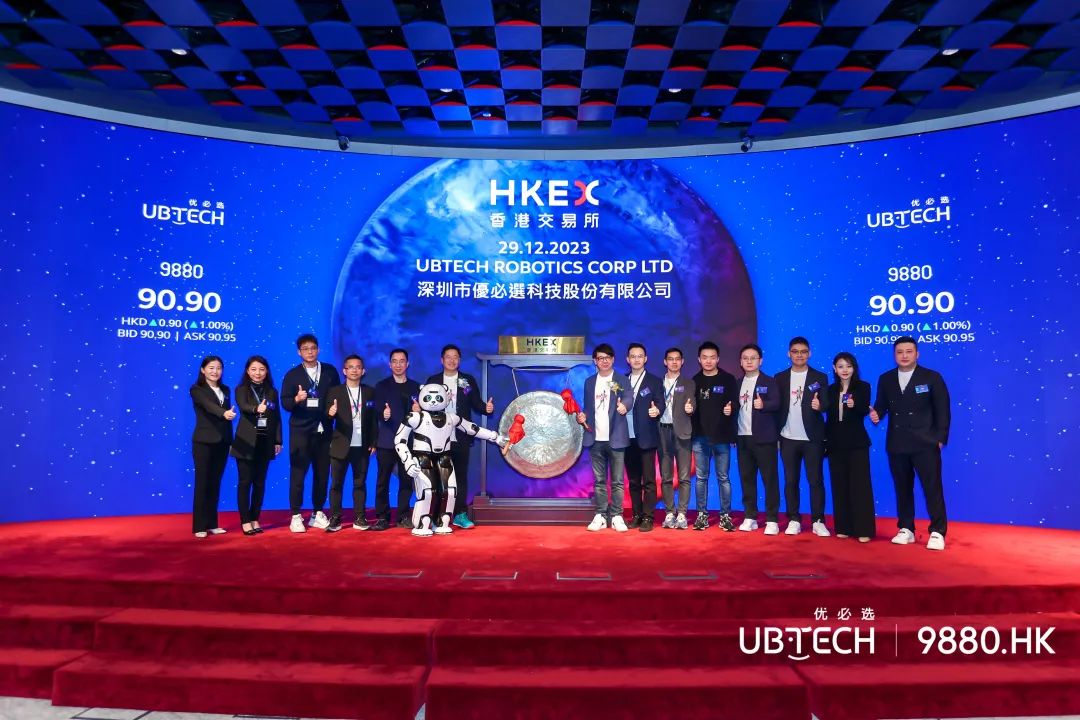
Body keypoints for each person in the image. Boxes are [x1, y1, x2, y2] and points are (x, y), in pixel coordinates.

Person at [870, 337, 951, 551]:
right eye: (900, 352)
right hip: (897, 443)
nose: (904, 355)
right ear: (894, 355)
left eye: (909, 351)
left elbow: (943, 410)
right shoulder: (886, 378)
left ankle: (937, 531)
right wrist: (877, 414)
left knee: (932, 488)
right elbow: (881, 405)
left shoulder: (932, 377)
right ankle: (906, 528)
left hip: (925, 443)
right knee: (902, 488)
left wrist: (940, 438)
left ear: (917, 354)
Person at [394, 383, 507, 537]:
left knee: (450, 491)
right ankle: (422, 522)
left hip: (444, 458)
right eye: (429, 397)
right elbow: (399, 440)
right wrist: (408, 460)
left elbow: (472, 429)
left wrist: (495, 437)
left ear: (446, 398)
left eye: (438, 397)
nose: (433, 401)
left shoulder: (451, 418)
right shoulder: (414, 417)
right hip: (422, 458)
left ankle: (443, 521)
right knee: (428, 492)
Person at [425, 344, 494, 530]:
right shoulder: (433, 381)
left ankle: (460, 514)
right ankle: (436, 516)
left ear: (459, 360)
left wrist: (486, 408)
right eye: (448, 357)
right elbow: (425, 405)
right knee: (438, 478)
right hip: (437, 437)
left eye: (455, 357)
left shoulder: (466, 381)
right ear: (442, 360)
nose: (452, 360)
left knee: (460, 477)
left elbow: (476, 403)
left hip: (461, 436)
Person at [281, 334, 341, 533]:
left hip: (324, 430)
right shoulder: (292, 375)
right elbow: (285, 403)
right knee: (298, 474)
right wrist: (297, 399)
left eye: (313, 348)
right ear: (299, 352)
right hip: (300, 431)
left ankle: (317, 512)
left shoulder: (330, 371)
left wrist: (333, 410)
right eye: (305, 349)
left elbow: (337, 396)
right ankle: (296, 515)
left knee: (322, 474)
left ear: (318, 350)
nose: (310, 352)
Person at [775, 337, 831, 537]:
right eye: (795, 351)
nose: (799, 355)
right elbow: (776, 408)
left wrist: (820, 406)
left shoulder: (820, 377)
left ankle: (818, 520)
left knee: (816, 480)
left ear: (810, 354)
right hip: (787, 437)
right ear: (789, 354)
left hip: (813, 438)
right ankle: (794, 519)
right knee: (791, 481)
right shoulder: (780, 378)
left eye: (803, 351)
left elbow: (827, 404)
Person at [577, 343, 635, 532]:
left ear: (613, 359)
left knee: (617, 481)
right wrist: (582, 417)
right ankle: (601, 515)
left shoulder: (621, 380)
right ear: (595, 361)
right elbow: (588, 408)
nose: (604, 361)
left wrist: (624, 406)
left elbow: (629, 397)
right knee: (599, 481)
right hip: (595, 438)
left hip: (616, 437)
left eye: (607, 358)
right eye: (600, 358)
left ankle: (617, 515)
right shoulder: (589, 382)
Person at [825, 352, 875, 543]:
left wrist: (855, 405)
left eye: (848, 366)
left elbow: (864, 410)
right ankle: (843, 526)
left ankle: (864, 529)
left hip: (856, 443)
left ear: (854, 368)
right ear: (834, 369)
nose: (845, 370)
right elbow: (828, 418)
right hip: (835, 444)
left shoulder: (863, 387)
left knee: (860, 486)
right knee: (839, 485)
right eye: (840, 366)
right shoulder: (830, 390)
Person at [689, 341, 739, 531]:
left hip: (722, 437)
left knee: (723, 478)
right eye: (704, 357)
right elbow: (691, 408)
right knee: (701, 478)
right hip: (700, 438)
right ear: (699, 359)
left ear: (718, 359)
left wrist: (731, 409)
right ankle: (702, 515)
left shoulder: (728, 379)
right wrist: (688, 409)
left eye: (712, 357)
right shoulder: (694, 381)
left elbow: (736, 403)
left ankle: (725, 515)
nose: (708, 361)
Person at [731, 344, 781, 533]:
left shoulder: (770, 381)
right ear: (740, 362)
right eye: (745, 358)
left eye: (753, 358)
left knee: (770, 479)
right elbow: (734, 409)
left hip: (764, 439)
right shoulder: (737, 383)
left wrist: (764, 404)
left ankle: (772, 519)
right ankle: (750, 516)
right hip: (743, 438)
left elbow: (777, 403)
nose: (749, 361)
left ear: (761, 360)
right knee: (747, 479)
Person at [325, 355, 377, 533]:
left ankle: (360, 517)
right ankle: (335, 517)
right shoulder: (335, 392)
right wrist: (330, 413)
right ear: (344, 371)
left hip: (362, 446)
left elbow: (373, 420)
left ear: (363, 371)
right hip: (340, 445)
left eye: (358, 367)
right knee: (336, 484)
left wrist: (373, 442)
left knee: (360, 483)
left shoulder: (370, 392)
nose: (354, 370)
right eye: (351, 367)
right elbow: (325, 418)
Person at [231, 356, 282, 536]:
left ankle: (255, 518)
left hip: (265, 442)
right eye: (253, 369)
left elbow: (277, 417)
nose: (257, 373)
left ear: (266, 371)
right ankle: (245, 520)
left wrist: (278, 440)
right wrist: (256, 409)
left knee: (259, 483)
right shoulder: (241, 389)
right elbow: (244, 406)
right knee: (245, 482)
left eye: (261, 369)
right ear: (247, 371)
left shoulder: (272, 391)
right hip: (245, 442)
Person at [372, 348, 421, 530]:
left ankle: (403, 516)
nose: (398, 365)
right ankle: (382, 517)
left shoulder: (416, 387)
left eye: (402, 361)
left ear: (408, 364)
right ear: (389, 364)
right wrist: (383, 414)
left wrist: (419, 411)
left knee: (406, 480)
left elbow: (424, 416)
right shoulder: (381, 386)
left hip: (408, 442)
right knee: (382, 480)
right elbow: (376, 410)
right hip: (386, 441)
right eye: (395, 361)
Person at [189, 355, 235, 538]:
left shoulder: (225, 389)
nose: (215, 371)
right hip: (204, 442)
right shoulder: (196, 389)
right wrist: (223, 413)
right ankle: (199, 526)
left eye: (218, 368)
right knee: (203, 483)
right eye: (211, 368)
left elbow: (228, 419)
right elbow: (208, 406)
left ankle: (212, 524)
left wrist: (230, 441)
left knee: (215, 483)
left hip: (222, 442)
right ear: (203, 370)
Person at [623, 343, 665, 532]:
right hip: (626, 437)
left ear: (645, 359)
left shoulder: (654, 381)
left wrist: (658, 410)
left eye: (640, 356)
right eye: (633, 356)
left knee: (648, 480)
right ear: (628, 359)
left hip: (646, 437)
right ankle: (637, 515)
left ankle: (648, 517)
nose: (636, 359)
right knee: (633, 481)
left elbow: (660, 402)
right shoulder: (621, 380)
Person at [657, 348, 696, 530]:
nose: (674, 362)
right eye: (670, 359)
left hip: (682, 432)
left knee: (684, 476)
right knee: (666, 476)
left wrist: (690, 408)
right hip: (662, 432)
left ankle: (682, 513)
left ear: (682, 362)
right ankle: (669, 513)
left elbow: (692, 403)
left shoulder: (689, 383)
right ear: (665, 362)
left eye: (677, 359)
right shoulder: (657, 383)